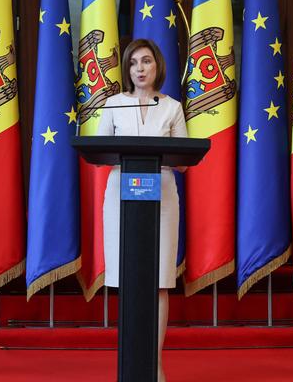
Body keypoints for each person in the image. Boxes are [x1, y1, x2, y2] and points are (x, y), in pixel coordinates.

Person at [96, 38, 187, 382]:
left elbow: (184, 163)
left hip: (161, 201)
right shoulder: (113, 105)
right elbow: (101, 151)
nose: (139, 68)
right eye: (134, 63)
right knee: (129, 281)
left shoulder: (172, 107)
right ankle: (131, 361)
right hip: (122, 201)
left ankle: (154, 362)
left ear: (157, 66)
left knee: (159, 282)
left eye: (146, 61)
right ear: (128, 69)